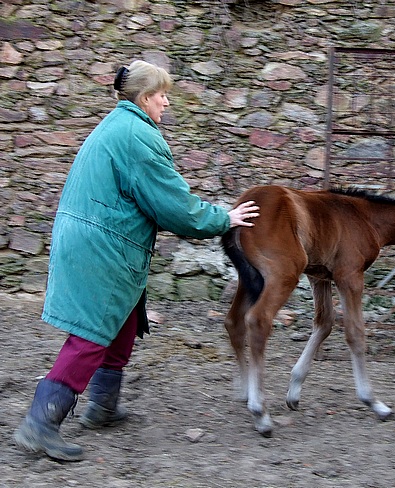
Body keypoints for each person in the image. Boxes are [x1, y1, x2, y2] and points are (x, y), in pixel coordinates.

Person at [13, 60, 259, 462]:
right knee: (91, 333)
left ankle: (102, 407)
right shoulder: (137, 136)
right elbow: (173, 207)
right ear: (144, 98)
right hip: (102, 243)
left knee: (123, 321)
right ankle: (41, 423)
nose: (166, 101)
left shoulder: (117, 125)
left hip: (93, 235)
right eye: (161, 94)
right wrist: (223, 217)